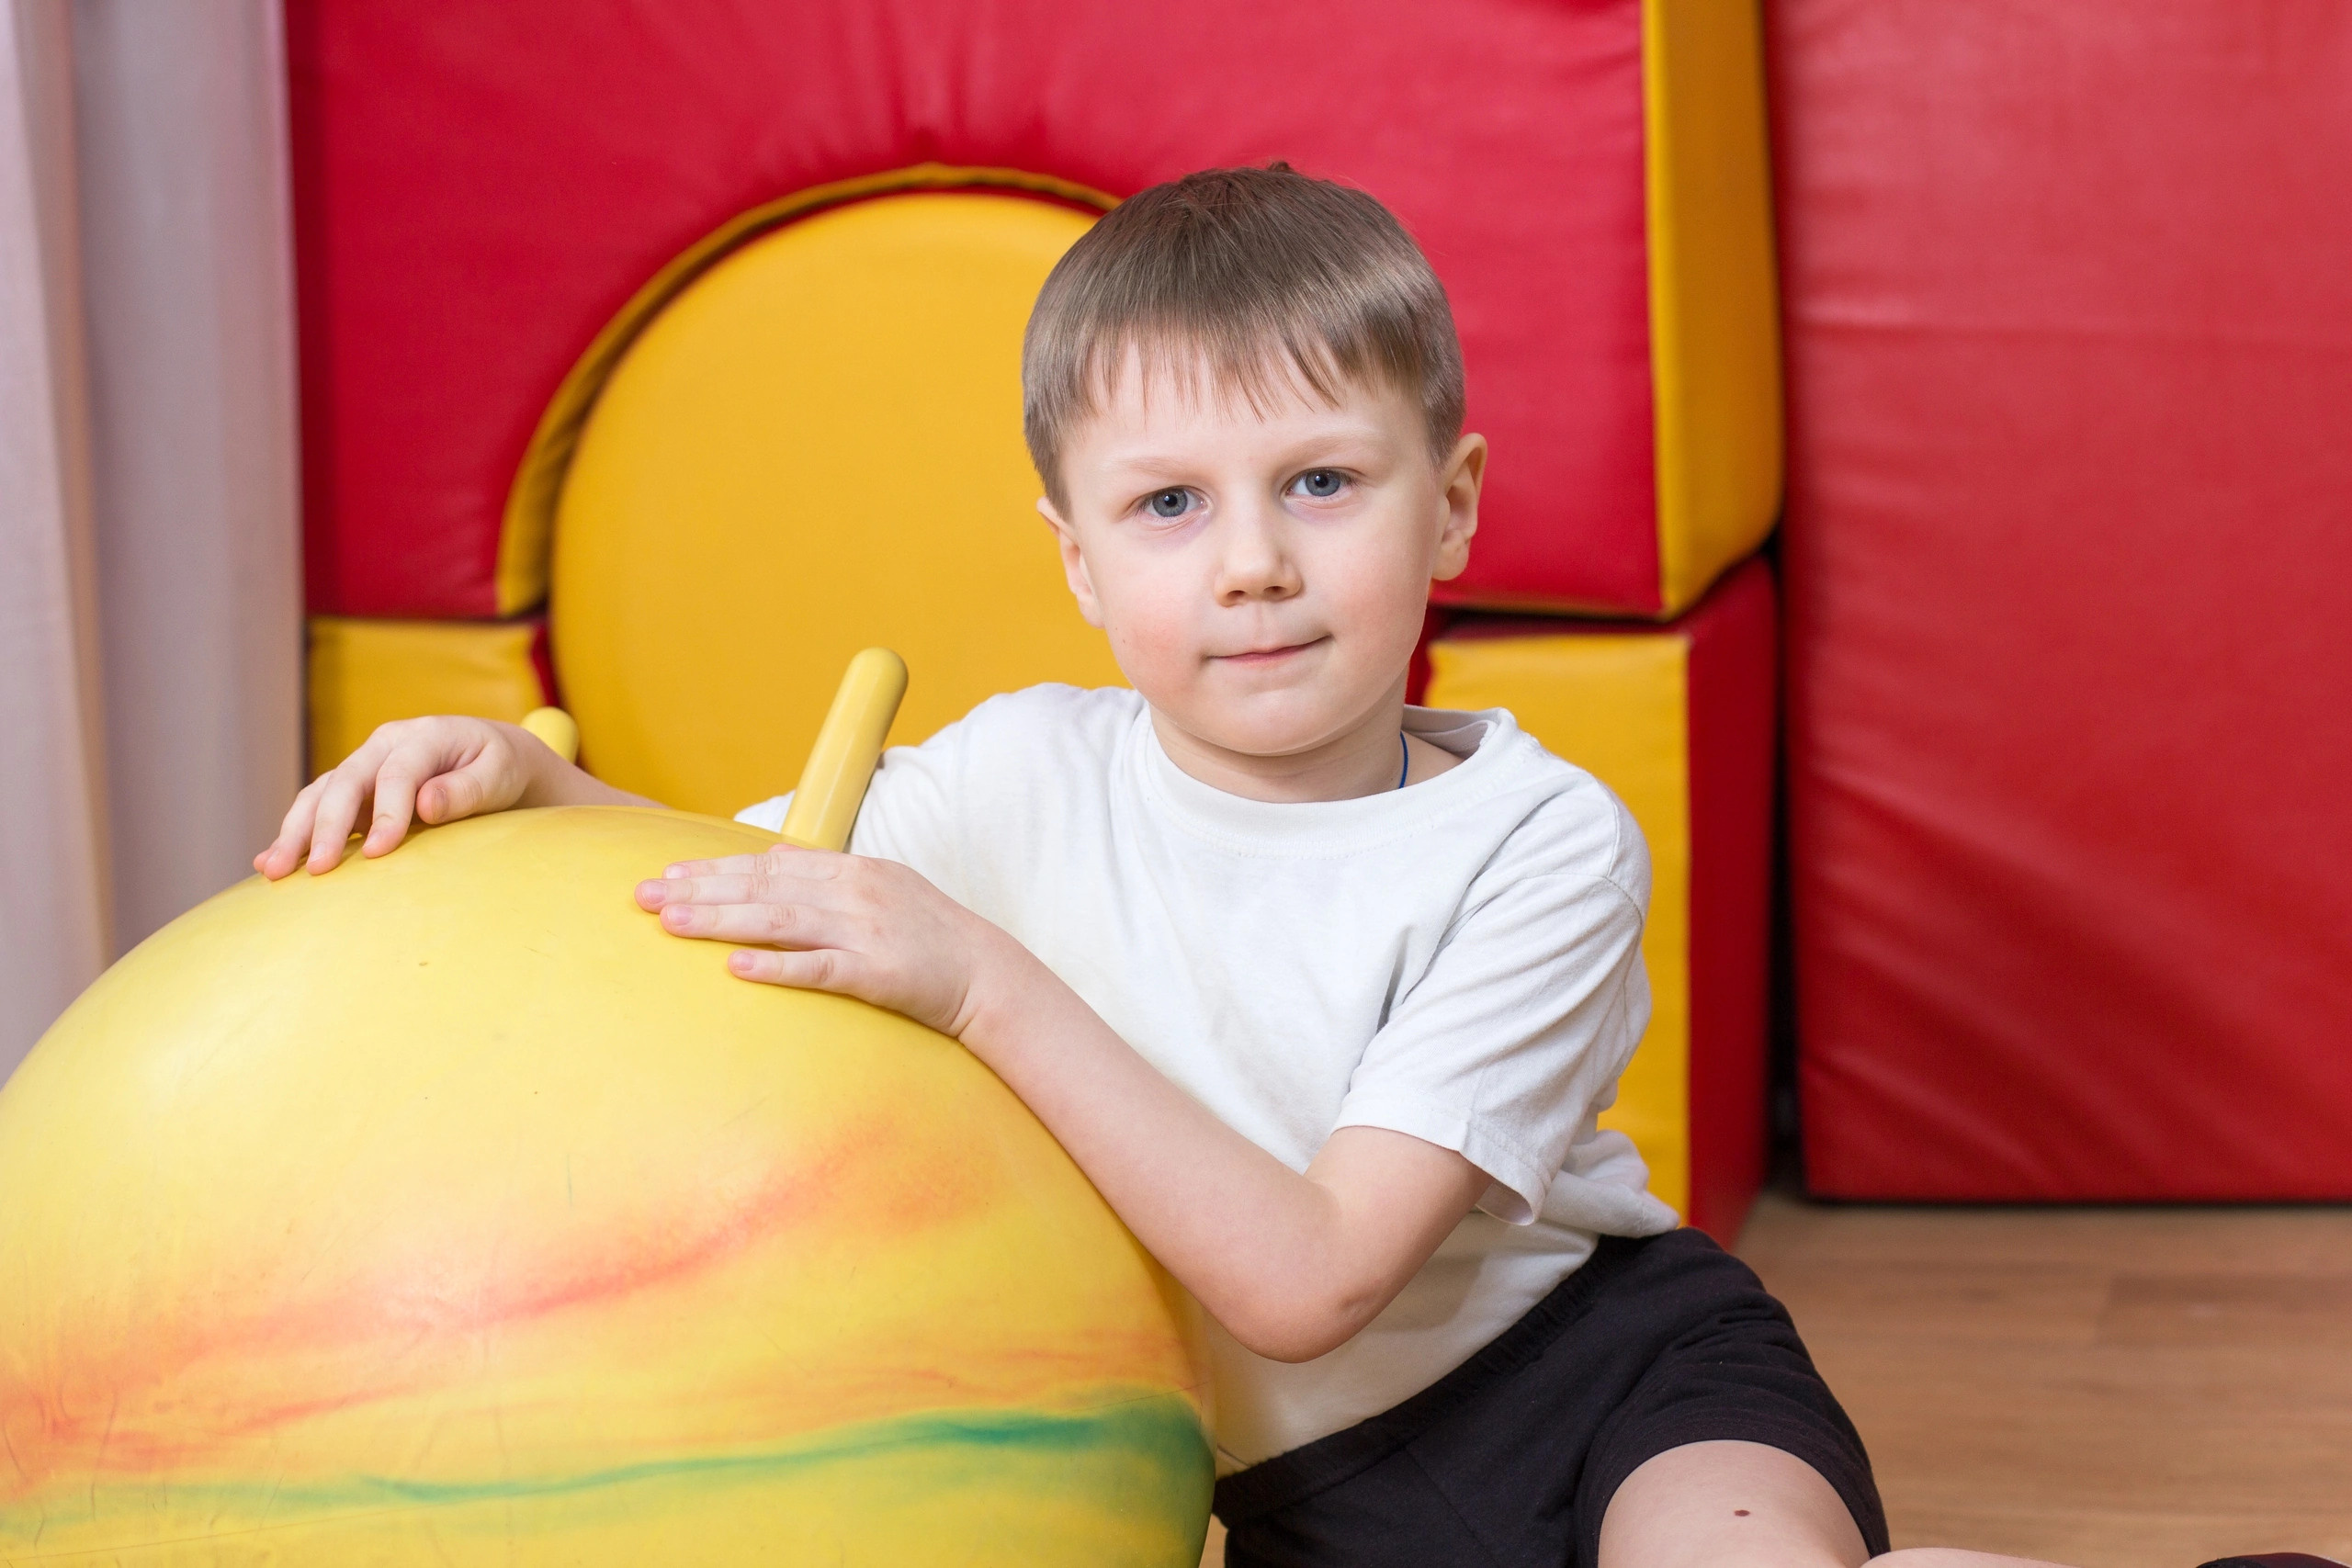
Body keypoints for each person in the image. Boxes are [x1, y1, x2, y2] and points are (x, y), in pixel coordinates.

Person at [258, 164, 2065, 1568]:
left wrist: (973, 975)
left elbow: (1306, 1278)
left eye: (1322, 483)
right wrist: (521, 782)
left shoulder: (1536, 842)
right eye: (1170, 504)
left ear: (1449, 504)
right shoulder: (1017, 774)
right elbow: (733, 878)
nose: (1253, 564)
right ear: (1075, 558)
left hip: (1607, 1379)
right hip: (1298, 1497)